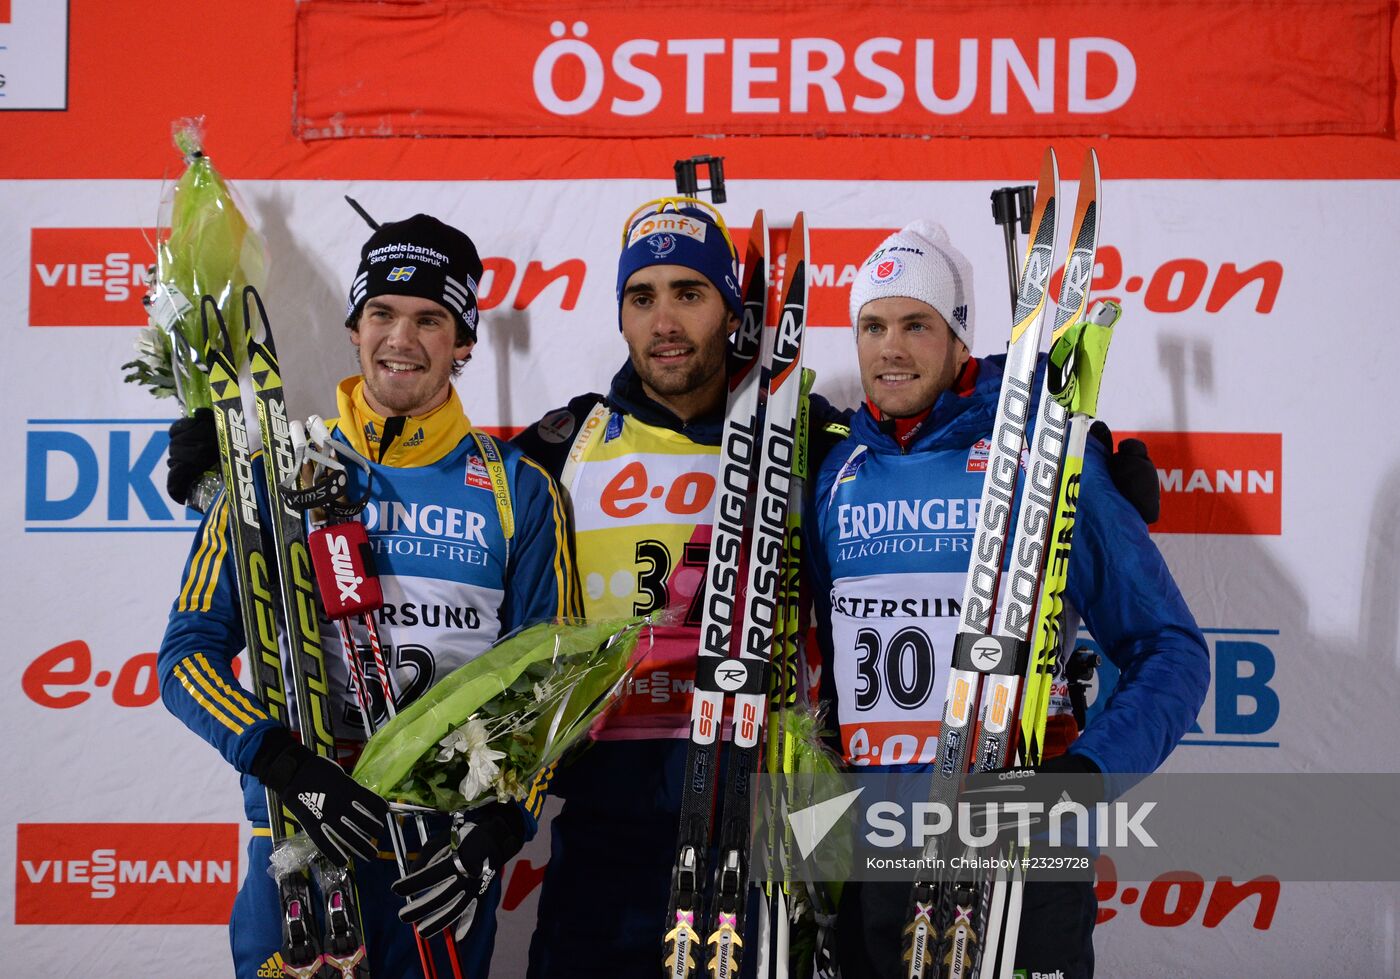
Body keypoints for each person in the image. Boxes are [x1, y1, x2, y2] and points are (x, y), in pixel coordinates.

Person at [157, 213, 579, 978]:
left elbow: (551, 685)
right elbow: (186, 658)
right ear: (354, 328)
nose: (402, 338)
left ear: (463, 342)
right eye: (382, 313)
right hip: (297, 843)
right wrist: (284, 763)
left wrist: (497, 827)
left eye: (429, 319)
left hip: (438, 863)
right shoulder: (271, 475)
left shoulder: (521, 491)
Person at [805, 221, 1210, 978]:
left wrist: (1086, 775)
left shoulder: (1044, 457)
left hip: (1021, 859)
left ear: (960, 338)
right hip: (872, 862)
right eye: (873, 324)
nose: (890, 347)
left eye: (916, 324)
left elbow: (1172, 650)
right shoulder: (833, 475)